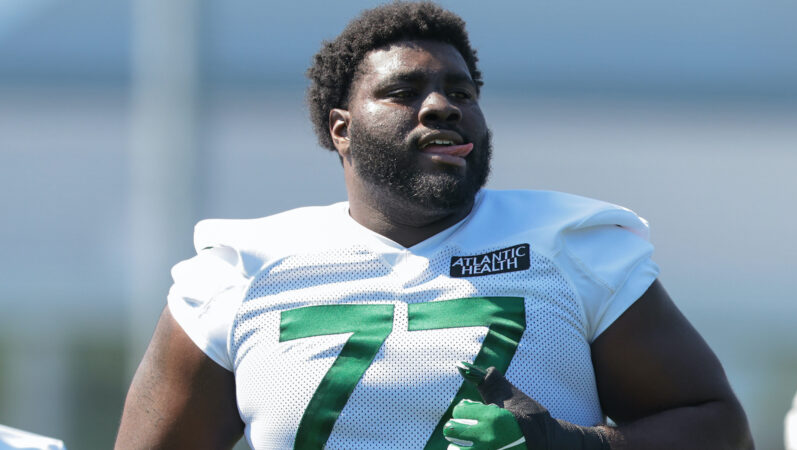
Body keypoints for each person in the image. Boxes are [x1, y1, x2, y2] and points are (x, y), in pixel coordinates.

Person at [115, 2, 753, 449]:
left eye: (462, 91)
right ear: (341, 129)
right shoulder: (241, 272)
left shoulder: (570, 246)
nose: (444, 105)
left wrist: (575, 447)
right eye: (403, 92)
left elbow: (720, 429)